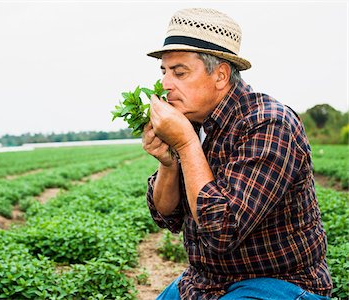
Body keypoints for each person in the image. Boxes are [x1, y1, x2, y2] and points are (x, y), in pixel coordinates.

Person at [142, 8, 332, 300]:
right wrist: (168, 163)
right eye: (165, 72)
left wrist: (186, 145)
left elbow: (222, 229)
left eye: (179, 72)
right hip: (205, 281)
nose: (166, 84)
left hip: (279, 282)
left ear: (220, 75)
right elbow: (167, 217)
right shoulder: (192, 121)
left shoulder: (269, 123)